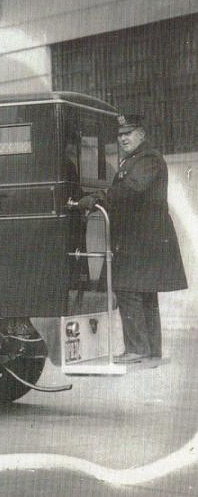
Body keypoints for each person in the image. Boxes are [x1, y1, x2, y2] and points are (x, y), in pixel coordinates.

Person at [79, 114, 187, 363]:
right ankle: (149, 350)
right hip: (143, 238)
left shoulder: (148, 158)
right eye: (120, 135)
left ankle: (138, 349)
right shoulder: (136, 159)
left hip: (143, 238)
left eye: (129, 133)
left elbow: (132, 189)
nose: (123, 138)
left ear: (142, 134)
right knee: (144, 291)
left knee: (128, 288)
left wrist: (98, 197)